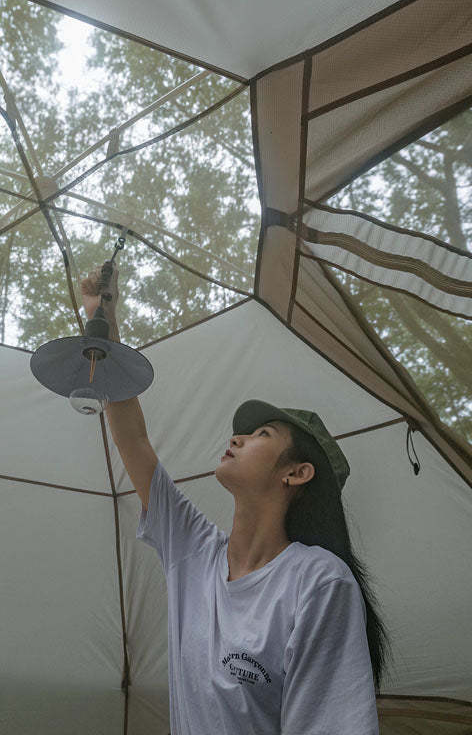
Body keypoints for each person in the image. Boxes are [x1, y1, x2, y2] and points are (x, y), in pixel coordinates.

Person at [80, 264, 391, 735]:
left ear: (297, 473)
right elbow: (133, 441)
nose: (237, 438)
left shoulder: (319, 582)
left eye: (262, 434)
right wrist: (103, 322)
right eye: (242, 432)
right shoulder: (194, 553)